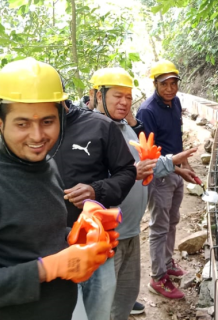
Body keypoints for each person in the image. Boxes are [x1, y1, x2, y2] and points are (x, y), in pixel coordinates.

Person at [0, 57, 112, 320]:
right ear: (1, 122)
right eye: (22, 123)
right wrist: (48, 268)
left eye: (48, 121)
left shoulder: (44, 162)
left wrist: (77, 236)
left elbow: (32, 234)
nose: (38, 136)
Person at [93, 67, 197, 317]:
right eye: (117, 96)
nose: (124, 103)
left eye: (128, 97)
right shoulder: (93, 131)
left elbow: (144, 158)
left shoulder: (124, 126)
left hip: (129, 225)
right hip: (108, 232)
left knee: (125, 289)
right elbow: (100, 182)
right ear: (97, 95)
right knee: (102, 297)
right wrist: (138, 172)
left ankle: (128, 301)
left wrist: (174, 164)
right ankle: (154, 279)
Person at [53, 78, 137, 320]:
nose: (36, 130)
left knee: (98, 312)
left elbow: (127, 171)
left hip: (94, 240)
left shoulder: (99, 126)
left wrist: (96, 190)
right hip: (49, 249)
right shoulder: (18, 138)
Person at [136, 59, 198, 300]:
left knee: (172, 220)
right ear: (155, 84)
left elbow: (176, 139)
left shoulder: (175, 103)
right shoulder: (147, 111)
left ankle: (167, 260)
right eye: (165, 84)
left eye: (174, 83)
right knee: (159, 226)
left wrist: (186, 165)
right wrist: (174, 169)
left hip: (176, 172)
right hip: (160, 176)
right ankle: (157, 276)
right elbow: (148, 153)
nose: (170, 88)